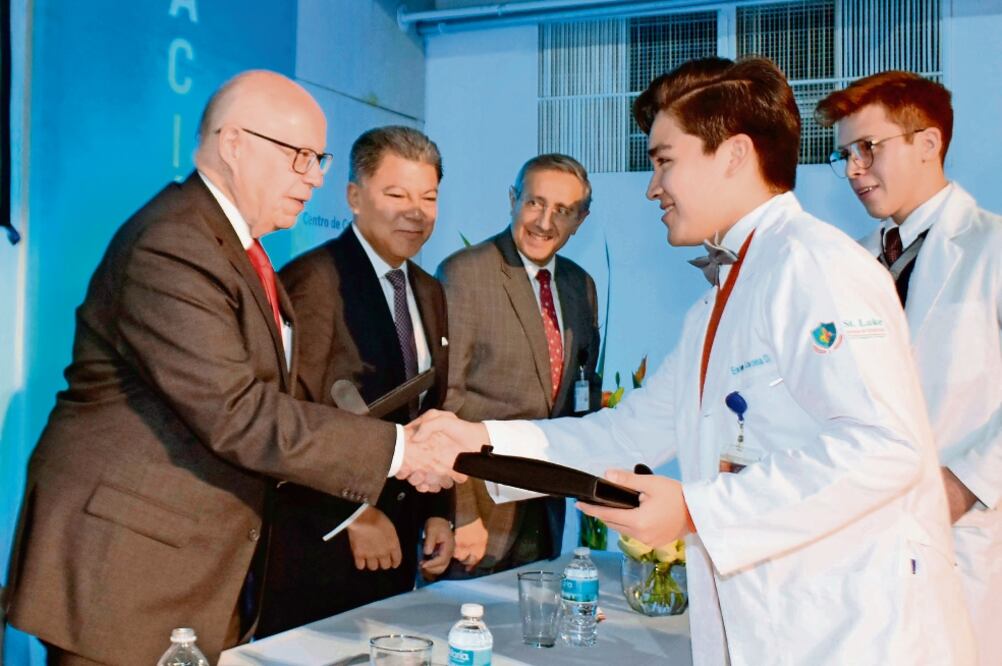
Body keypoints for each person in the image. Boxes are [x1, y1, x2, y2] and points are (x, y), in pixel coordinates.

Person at [412, 57, 976, 665]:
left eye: (663, 161)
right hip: (774, 622)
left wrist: (694, 509)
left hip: (853, 632)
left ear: (733, 155)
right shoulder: (719, 300)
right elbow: (628, 431)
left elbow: (883, 447)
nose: (653, 187)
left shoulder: (815, 266)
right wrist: (476, 440)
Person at [2, 71, 462, 666]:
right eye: (300, 157)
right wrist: (400, 452)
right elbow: (237, 412)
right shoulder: (173, 244)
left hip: (190, 569)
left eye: (318, 159)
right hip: (126, 576)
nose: (316, 176)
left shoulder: (234, 245)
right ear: (234, 143)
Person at [816, 71, 1002, 664]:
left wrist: (966, 485)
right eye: (844, 154)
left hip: (964, 536)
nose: (853, 169)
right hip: (860, 537)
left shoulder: (992, 248)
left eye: (869, 148)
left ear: (929, 143)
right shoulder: (850, 263)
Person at [256, 126, 454, 636]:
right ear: (353, 197)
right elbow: (286, 419)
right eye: (396, 195)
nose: (415, 211)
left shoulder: (429, 291)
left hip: (402, 546)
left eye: (428, 197)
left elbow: (429, 411)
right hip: (322, 549)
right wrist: (354, 515)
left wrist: (437, 512)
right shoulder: (313, 282)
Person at [436, 154, 601, 576]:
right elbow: (443, 405)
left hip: (545, 507)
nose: (545, 222)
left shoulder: (580, 285)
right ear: (512, 199)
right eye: (535, 203)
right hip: (481, 514)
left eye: (562, 211)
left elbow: (579, 392)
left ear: (580, 220)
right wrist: (462, 513)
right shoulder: (465, 274)